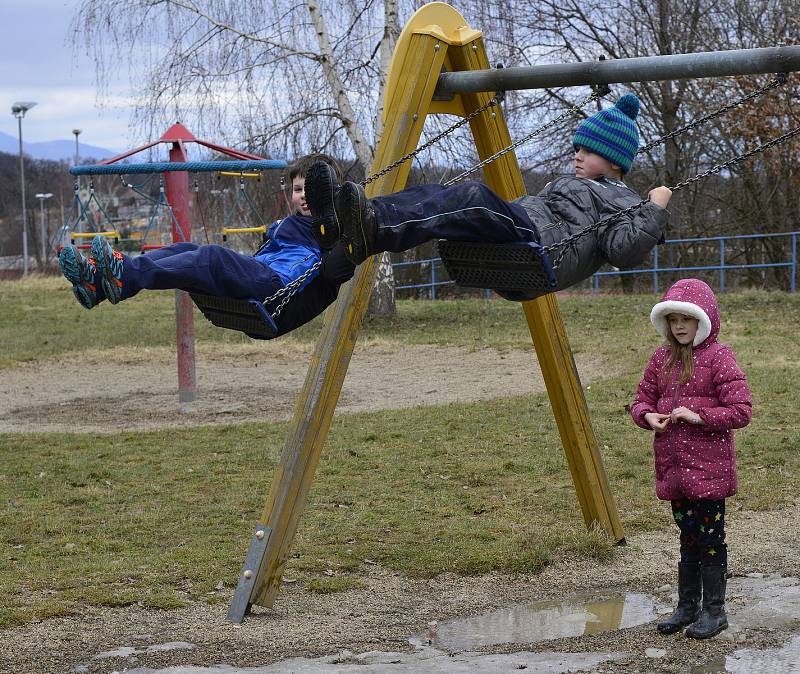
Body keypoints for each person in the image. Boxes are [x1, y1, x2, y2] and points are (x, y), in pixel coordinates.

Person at [305, 93, 672, 291]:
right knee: (440, 195)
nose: (577, 155)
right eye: (576, 148)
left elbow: (623, 251)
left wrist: (655, 208)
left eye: (587, 150)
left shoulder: (623, 201)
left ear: (614, 161)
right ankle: (356, 225)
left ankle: (367, 227)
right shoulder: (578, 184)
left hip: (542, 247)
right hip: (526, 235)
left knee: (471, 197)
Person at [58, 153, 356, 337]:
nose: (303, 196)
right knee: (184, 249)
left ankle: (123, 276)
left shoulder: (331, 230)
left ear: (330, 193)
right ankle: (97, 283)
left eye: (312, 190)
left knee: (212, 258)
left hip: (275, 288)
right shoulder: (289, 223)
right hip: (263, 276)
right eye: (298, 189)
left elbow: (339, 258)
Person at [630, 278, 752, 639]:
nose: (679, 326)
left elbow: (741, 410)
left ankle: (715, 611)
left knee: (711, 537)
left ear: (704, 320)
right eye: (673, 319)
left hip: (709, 473)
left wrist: (700, 416)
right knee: (687, 537)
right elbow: (641, 401)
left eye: (686, 318)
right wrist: (647, 416)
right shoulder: (660, 359)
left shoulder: (719, 357)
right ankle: (687, 607)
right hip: (675, 472)